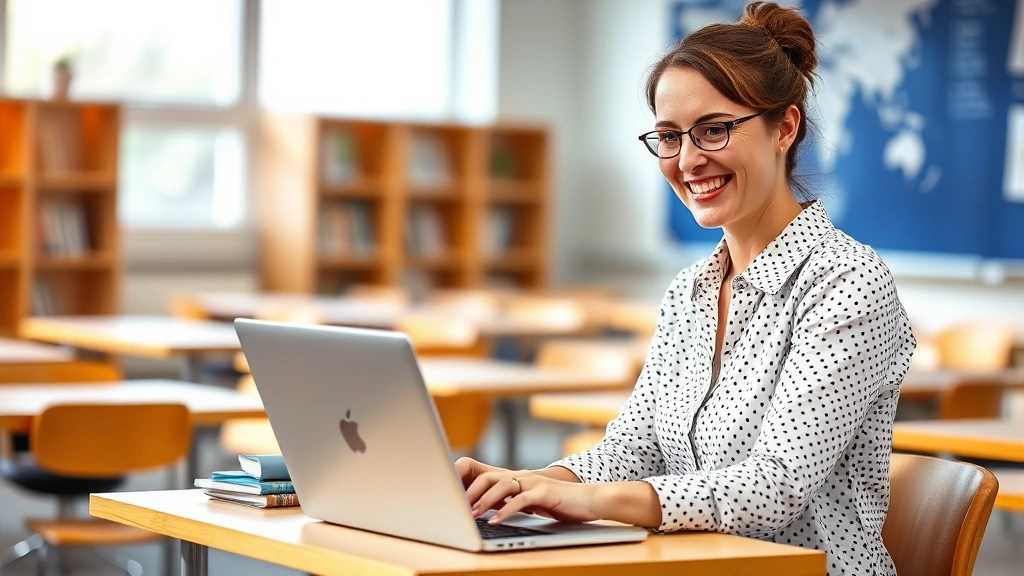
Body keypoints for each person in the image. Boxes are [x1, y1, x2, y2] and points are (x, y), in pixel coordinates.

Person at [455, 2, 915, 574]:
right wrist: (531, 483)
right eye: (669, 137)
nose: (689, 160)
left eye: (714, 130)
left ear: (785, 128)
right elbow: (635, 446)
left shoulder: (849, 283)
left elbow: (776, 485)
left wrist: (589, 502)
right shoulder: (689, 291)